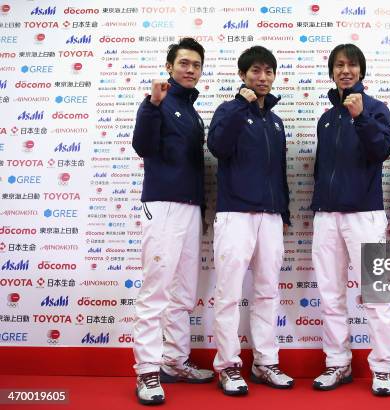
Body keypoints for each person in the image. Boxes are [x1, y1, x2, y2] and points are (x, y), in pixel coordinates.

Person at [310, 44, 390, 396]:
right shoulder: (326, 117)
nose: (346, 70)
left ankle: (383, 368)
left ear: (361, 70)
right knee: (330, 295)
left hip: (365, 214)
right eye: (339, 65)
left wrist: (361, 117)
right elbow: (322, 169)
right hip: (327, 216)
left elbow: (381, 151)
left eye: (352, 65)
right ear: (332, 71)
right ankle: (337, 363)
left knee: (375, 295)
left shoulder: (376, 109)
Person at [207, 45, 293, 396]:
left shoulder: (274, 120)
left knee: (267, 293)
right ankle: (227, 365)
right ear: (243, 75)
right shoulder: (228, 111)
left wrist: (283, 212)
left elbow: (279, 172)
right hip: (235, 214)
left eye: (268, 71)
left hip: (270, 218)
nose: (262, 77)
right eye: (255, 71)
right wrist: (240, 105)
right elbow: (218, 147)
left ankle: (265, 361)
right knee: (228, 294)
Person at [131, 37, 213, 405]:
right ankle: (147, 372)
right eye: (184, 63)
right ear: (169, 66)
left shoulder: (193, 112)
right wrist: (152, 105)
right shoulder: (157, 104)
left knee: (182, 292)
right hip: (162, 206)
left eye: (196, 64)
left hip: (190, 208)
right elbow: (143, 147)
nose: (190, 69)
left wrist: (204, 210)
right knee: (156, 293)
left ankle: (174, 362)